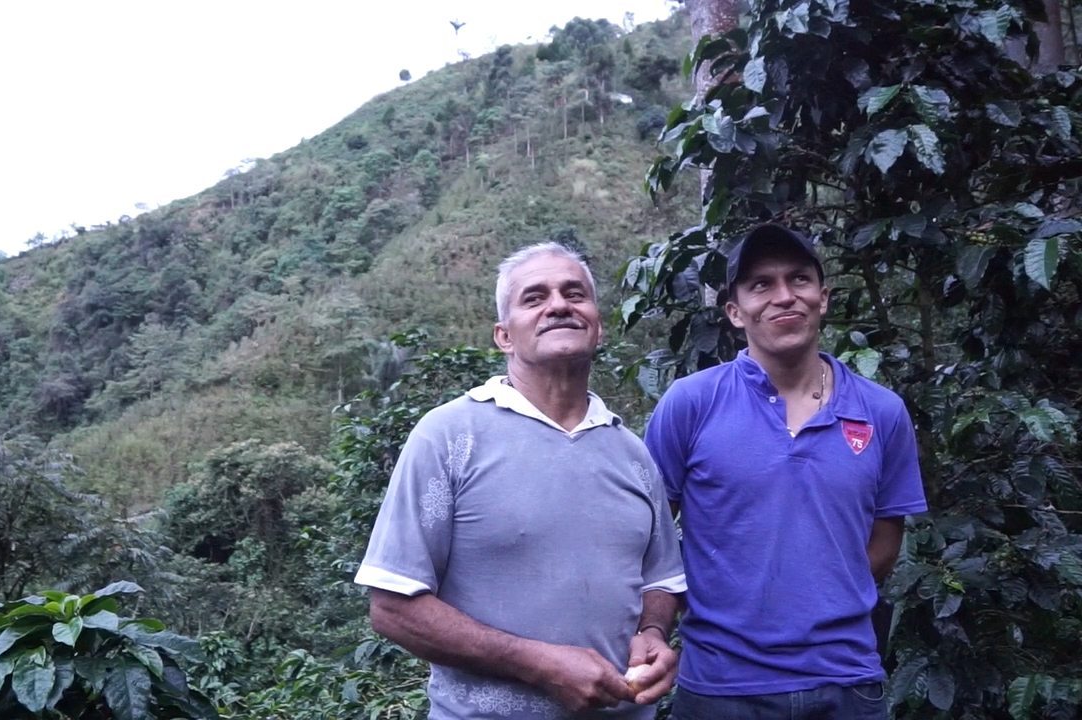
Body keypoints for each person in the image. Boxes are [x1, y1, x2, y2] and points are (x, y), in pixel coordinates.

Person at [356, 242, 687, 718]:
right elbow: (392, 607)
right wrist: (539, 664)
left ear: (598, 325)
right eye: (534, 298)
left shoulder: (632, 453)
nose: (558, 305)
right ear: (504, 336)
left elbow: (662, 578)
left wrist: (652, 635)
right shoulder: (450, 437)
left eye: (575, 293)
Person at [643, 224, 929, 719]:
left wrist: (819, 597)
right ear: (735, 311)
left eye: (799, 279)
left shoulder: (881, 412)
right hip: (719, 688)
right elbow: (647, 536)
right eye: (761, 284)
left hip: (848, 684)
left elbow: (885, 541)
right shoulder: (691, 403)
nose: (784, 297)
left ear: (823, 298)